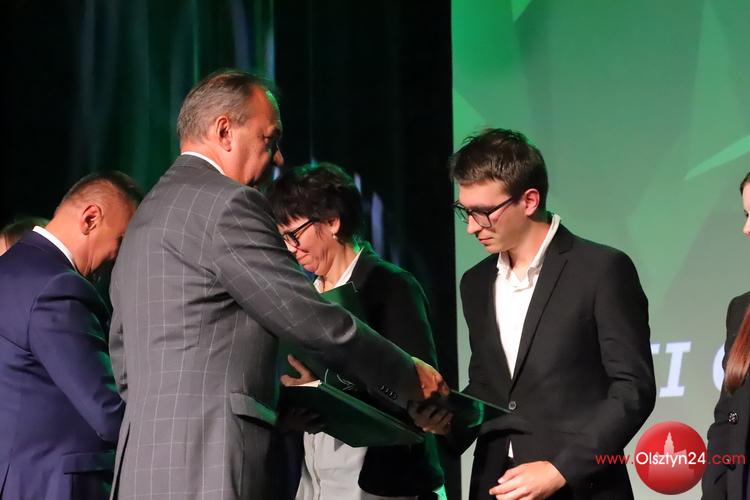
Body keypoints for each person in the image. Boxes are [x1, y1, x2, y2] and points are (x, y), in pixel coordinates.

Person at [108, 70, 447, 500]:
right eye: (269, 140)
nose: (279, 158)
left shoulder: (144, 220)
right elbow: (307, 318)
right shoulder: (228, 204)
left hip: (141, 466)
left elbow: (123, 361)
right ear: (225, 131)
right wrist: (406, 373)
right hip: (211, 463)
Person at [412, 128, 656, 500]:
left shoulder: (601, 269)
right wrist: (445, 423)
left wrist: (561, 470)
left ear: (529, 200)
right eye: (465, 211)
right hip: (495, 483)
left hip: (580, 487)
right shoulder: (475, 282)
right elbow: (489, 386)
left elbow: (632, 390)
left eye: (483, 213)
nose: (472, 227)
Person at [267, 162, 445, 500]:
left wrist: (324, 390)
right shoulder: (305, 298)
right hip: (315, 480)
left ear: (332, 222)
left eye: (295, 235)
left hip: (380, 483)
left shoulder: (390, 286)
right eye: (284, 238)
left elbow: (420, 392)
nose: (291, 248)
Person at [0, 171, 142, 500]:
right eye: (121, 241)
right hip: (56, 487)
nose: (119, 257)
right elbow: (107, 412)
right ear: (91, 218)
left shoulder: (10, 270)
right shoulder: (58, 286)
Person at [702, 171, 750, 500]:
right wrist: (715, 490)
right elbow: (727, 417)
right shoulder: (741, 308)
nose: (746, 229)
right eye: (746, 215)